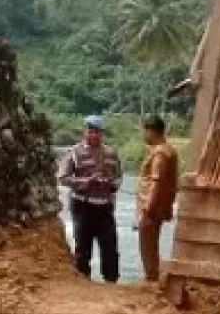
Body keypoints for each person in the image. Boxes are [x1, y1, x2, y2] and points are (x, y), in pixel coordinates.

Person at [58, 115, 123, 283]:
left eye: (97, 132)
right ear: (84, 132)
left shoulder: (111, 152)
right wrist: (87, 182)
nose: (94, 135)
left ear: (102, 133)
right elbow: (63, 178)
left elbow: (119, 177)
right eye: (91, 132)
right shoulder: (74, 152)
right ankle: (83, 282)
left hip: (105, 207)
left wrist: (111, 184)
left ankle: (111, 282)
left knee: (110, 248)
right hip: (82, 206)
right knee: (83, 248)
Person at [135, 116, 179, 282]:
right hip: (158, 207)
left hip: (152, 208)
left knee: (148, 247)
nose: (144, 135)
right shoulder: (168, 150)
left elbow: (156, 182)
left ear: (151, 131)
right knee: (151, 245)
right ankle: (153, 277)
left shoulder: (160, 152)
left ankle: (152, 279)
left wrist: (147, 209)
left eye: (145, 131)